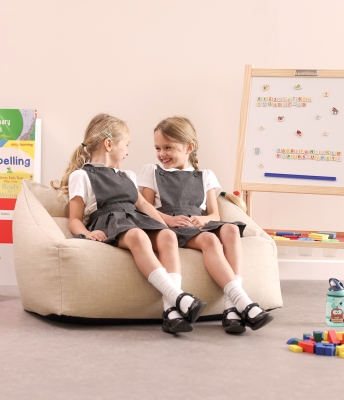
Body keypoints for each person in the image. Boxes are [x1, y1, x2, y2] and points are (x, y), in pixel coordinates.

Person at [51, 113, 207, 334]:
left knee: (167, 236)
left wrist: (166, 224)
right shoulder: (82, 176)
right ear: (109, 145)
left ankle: (171, 311)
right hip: (110, 221)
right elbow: (74, 218)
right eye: (126, 145)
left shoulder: (128, 176)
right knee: (137, 236)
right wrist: (86, 233)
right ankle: (178, 297)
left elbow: (144, 205)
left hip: (135, 218)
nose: (127, 152)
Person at [138, 116, 273, 334]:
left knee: (231, 228)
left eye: (168, 147)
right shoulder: (151, 171)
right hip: (171, 225)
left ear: (189, 147)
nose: (161, 153)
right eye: (158, 148)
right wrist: (169, 220)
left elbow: (215, 214)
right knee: (210, 239)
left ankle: (231, 307)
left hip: (196, 224)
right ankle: (242, 302)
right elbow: (145, 208)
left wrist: (203, 219)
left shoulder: (205, 176)